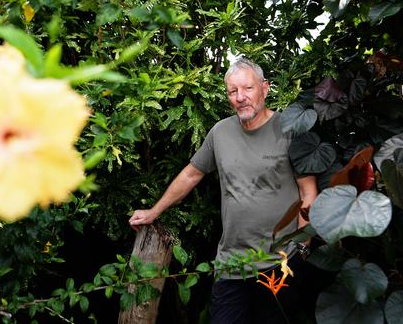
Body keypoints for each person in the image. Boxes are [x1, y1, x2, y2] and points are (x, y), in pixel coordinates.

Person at [128, 58, 319, 323]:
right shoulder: (220, 132)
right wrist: (154, 211)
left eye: (247, 88)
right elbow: (191, 174)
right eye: (233, 91)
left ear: (265, 88)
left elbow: (308, 193)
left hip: (279, 265)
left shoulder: (288, 130)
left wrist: (300, 250)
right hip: (231, 266)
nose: (240, 97)